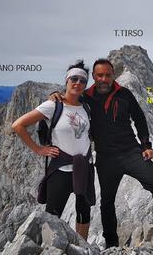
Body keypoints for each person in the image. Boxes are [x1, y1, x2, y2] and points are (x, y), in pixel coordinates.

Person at [51, 58, 153, 248]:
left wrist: (146, 145)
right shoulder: (86, 97)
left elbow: (139, 118)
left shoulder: (124, 94)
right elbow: (69, 101)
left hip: (131, 152)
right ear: (93, 77)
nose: (104, 79)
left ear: (113, 76)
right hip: (106, 159)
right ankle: (111, 244)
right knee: (107, 202)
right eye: (99, 75)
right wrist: (55, 95)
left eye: (108, 75)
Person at [12, 61, 93, 240]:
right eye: (74, 78)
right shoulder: (53, 106)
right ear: (66, 80)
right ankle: (49, 253)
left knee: (84, 213)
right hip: (61, 169)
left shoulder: (87, 107)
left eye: (82, 80)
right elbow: (18, 125)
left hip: (84, 167)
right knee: (52, 216)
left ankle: (83, 249)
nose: (78, 83)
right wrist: (39, 149)